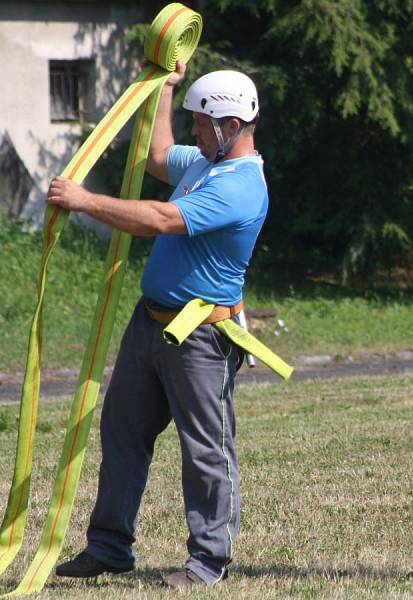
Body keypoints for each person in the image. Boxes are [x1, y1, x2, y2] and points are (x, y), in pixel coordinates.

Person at [47, 61, 268, 589]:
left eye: (201, 122)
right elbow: (157, 156)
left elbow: (160, 219)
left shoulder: (241, 186)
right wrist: (167, 88)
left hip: (201, 337)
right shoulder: (204, 164)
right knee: (122, 431)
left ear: (229, 127)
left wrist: (85, 202)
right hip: (150, 325)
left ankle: (208, 560)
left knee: (206, 448)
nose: (194, 131)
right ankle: (109, 547)